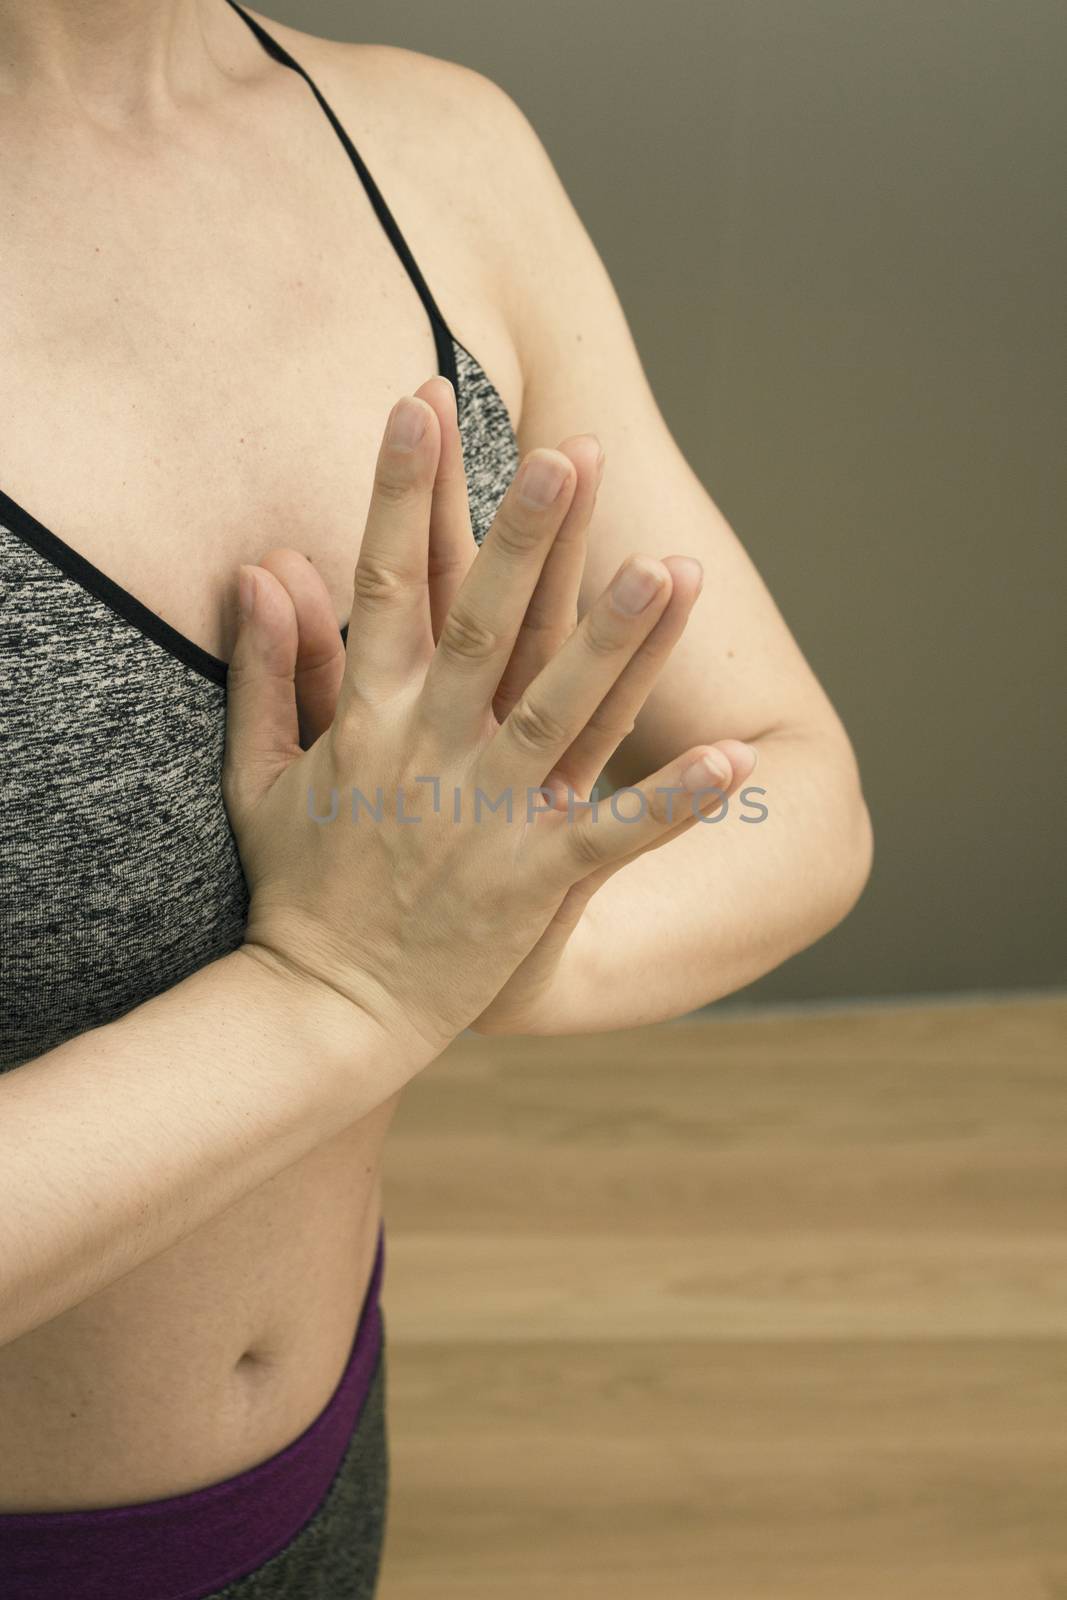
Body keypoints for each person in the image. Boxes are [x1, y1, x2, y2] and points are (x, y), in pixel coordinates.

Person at [0, 2, 874, 1594]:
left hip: (321, 1485)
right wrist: (337, 992)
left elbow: (790, 794)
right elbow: (367, 977)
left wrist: (507, 937)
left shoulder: (442, 153)